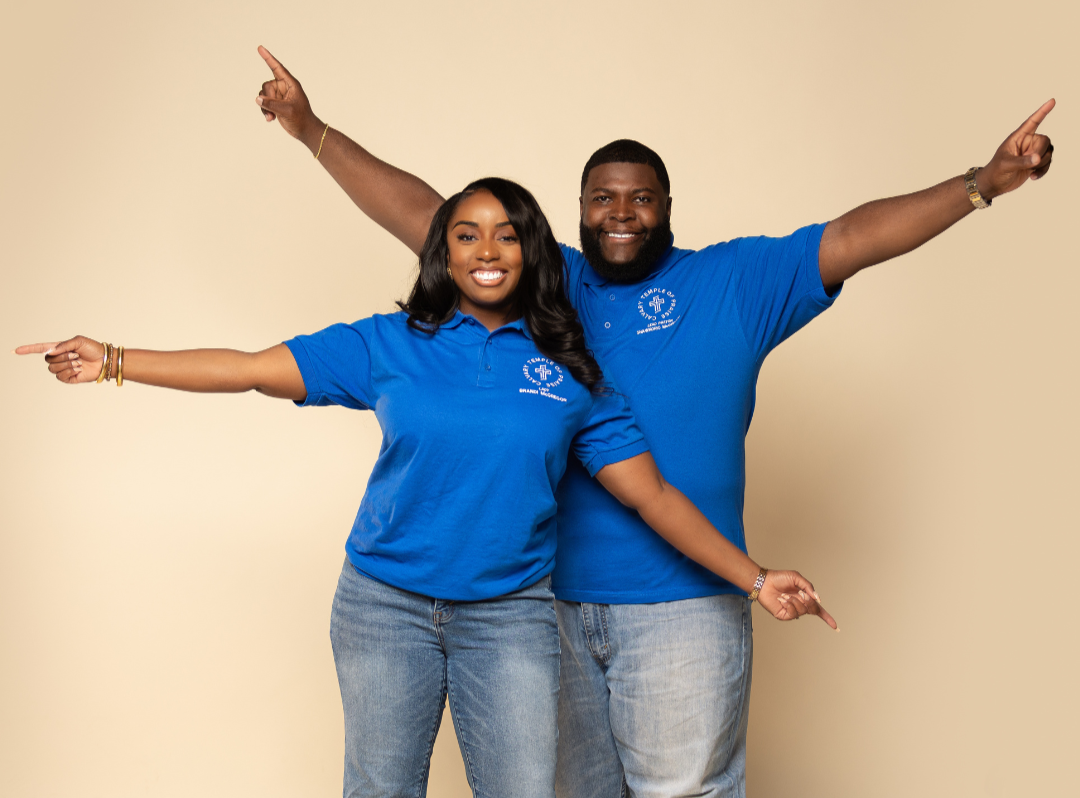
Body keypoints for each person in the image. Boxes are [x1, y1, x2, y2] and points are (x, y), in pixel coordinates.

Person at [250, 46, 1055, 798]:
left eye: (641, 199)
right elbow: (425, 212)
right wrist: (310, 129)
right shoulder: (544, 283)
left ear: (668, 206)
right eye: (603, 199)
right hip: (546, 607)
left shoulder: (736, 282)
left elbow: (853, 237)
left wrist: (983, 182)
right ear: (577, 210)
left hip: (687, 609)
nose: (622, 214)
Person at [17, 178, 835, 798]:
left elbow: (652, 496)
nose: (487, 250)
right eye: (466, 234)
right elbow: (251, 369)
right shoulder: (391, 343)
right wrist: (115, 361)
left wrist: (756, 579)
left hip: (510, 618)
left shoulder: (571, 372)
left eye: (507, 235)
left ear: (533, 253)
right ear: (443, 252)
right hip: (384, 605)